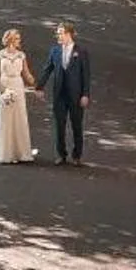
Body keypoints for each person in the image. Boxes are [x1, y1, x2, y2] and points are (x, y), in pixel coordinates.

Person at [38, 20, 92, 165]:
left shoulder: (81, 52)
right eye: (58, 34)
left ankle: (77, 156)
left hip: (76, 95)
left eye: (60, 33)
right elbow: (47, 69)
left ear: (68, 34)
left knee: (76, 126)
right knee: (59, 126)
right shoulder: (55, 51)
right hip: (59, 94)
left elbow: (85, 74)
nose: (58, 36)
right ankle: (61, 154)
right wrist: (39, 86)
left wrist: (85, 94)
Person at [0, 29, 36, 164]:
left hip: (18, 86)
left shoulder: (21, 55)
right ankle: (6, 154)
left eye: (18, 38)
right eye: (16, 38)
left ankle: (21, 153)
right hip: (4, 85)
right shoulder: (0, 55)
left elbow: (27, 74)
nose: (18, 41)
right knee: (5, 119)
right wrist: (1, 89)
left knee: (19, 118)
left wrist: (37, 85)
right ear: (9, 39)